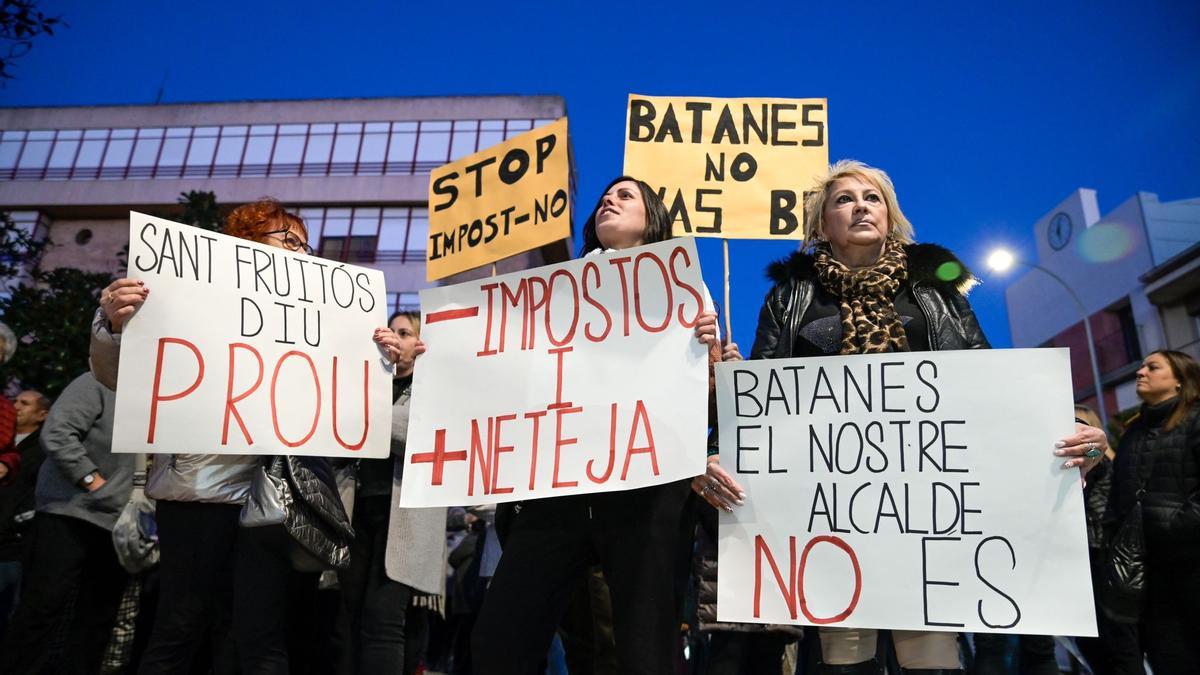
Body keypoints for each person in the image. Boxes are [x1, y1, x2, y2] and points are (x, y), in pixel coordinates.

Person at [697, 160, 1108, 674]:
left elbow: (989, 384)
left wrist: (1066, 440)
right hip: (827, 510)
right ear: (823, 224)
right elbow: (762, 400)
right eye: (843, 199)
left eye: (872, 198)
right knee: (842, 656)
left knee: (928, 655)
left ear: (890, 217)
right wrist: (720, 448)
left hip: (927, 514)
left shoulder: (937, 292)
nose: (860, 206)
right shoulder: (791, 297)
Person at [91, 198, 404, 674]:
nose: (302, 253)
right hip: (198, 493)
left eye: (306, 245)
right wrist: (115, 324)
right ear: (248, 244)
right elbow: (120, 376)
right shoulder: (185, 297)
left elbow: (349, 397)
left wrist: (383, 361)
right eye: (289, 240)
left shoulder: (317, 319)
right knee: (180, 627)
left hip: (275, 497)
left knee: (259, 637)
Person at [471, 176, 732, 675]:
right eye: (604, 197)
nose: (608, 199)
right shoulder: (552, 292)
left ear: (652, 218)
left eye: (625, 195)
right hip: (559, 484)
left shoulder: (684, 289)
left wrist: (709, 355)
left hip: (647, 485)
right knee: (502, 637)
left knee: (645, 644)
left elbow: (700, 398)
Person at [338, 309, 446, 675]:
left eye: (404, 332)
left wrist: (364, 408)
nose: (394, 338)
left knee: (382, 620)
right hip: (356, 513)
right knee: (350, 618)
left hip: (402, 521)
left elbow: (412, 434)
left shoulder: (434, 388)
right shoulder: (372, 383)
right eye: (390, 331)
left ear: (420, 344)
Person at [0, 371, 130, 674]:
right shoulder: (99, 380)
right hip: (67, 512)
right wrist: (92, 481)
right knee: (41, 610)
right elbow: (58, 432)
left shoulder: (167, 397)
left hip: (119, 523)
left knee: (97, 618)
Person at [1103, 349, 1200, 673]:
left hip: (1192, 565)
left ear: (1179, 381)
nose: (1140, 372)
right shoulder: (1133, 432)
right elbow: (1113, 482)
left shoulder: (1196, 420)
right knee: (1168, 659)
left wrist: (1174, 527)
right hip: (1149, 575)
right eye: (1141, 365)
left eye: (1153, 367)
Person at [0, 390, 52, 635]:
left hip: (11, 545)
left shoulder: (43, 451)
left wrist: (18, 521)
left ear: (43, 414)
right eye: (15, 400)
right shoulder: (6, 440)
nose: (16, 406)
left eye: (25, 403)